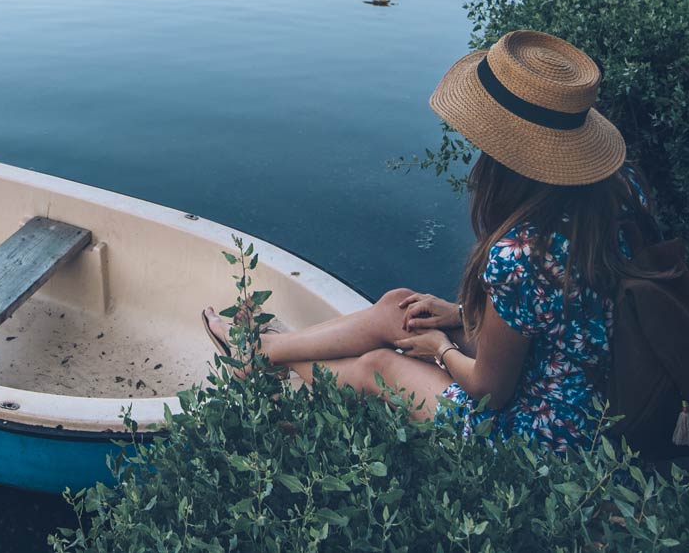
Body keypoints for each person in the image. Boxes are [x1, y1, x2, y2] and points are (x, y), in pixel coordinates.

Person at [202, 30, 657, 453]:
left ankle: (261, 357)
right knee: (402, 306)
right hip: (580, 385)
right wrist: (458, 315)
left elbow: (488, 394)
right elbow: (554, 317)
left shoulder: (522, 255)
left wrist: (440, 347)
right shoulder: (619, 191)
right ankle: (264, 351)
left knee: (379, 366)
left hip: (543, 436)